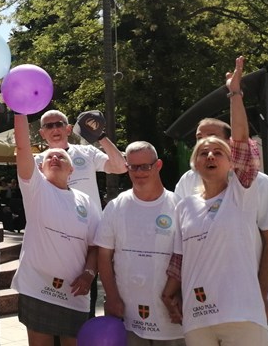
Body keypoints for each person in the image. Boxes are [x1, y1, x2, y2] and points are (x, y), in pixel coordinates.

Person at [162, 56, 268, 345]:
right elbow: (179, 258)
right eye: (202, 152)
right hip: (198, 318)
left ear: (232, 162)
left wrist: (234, 94)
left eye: (218, 152)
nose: (210, 156)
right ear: (194, 164)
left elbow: (241, 141)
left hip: (243, 314)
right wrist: (168, 292)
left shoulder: (243, 191)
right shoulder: (184, 204)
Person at [174, 118, 268, 345]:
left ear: (231, 148)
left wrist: (261, 294)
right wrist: (173, 293)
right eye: (200, 140)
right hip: (200, 312)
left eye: (216, 143)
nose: (207, 147)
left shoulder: (252, 186)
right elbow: (181, 251)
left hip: (245, 305)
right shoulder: (185, 191)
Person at [12, 113, 100, 346]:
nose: (55, 158)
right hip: (37, 288)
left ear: (72, 170)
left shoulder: (87, 202)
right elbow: (22, 148)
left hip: (74, 293)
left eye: (61, 156)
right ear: (40, 167)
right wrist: (19, 110)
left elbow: (94, 247)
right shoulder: (36, 189)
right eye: (49, 156)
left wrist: (89, 274)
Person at [35, 109, 128, 317]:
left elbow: (121, 167)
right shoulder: (38, 162)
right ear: (42, 133)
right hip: (55, 241)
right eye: (49, 126)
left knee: (86, 303)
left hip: (90, 241)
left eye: (59, 124)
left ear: (68, 129)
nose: (55, 129)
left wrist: (100, 136)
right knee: (54, 308)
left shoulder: (86, 153)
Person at [95, 141, 185, 345]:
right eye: (134, 166)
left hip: (171, 318)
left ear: (158, 165)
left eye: (146, 166)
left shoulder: (179, 206)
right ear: (127, 167)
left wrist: (180, 294)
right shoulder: (116, 206)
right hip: (128, 316)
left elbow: (187, 257)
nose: (140, 172)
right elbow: (104, 256)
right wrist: (112, 296)